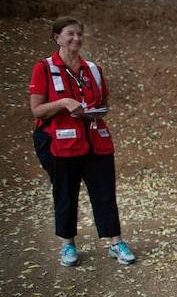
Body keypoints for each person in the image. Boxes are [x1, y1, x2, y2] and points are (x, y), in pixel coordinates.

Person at [28, 16, 136, 267]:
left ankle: (115, 242)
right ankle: (67, 245)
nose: (76, 38)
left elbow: (104, 103)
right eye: (70, 34)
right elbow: (37, 110)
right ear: (57, 37)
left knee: (105, 193)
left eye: (79, 34)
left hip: (96, 140)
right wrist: (64, 103)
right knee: (66, 193)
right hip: (60, 143)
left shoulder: (93, 69)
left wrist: (94, 111)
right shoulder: (44, 68)